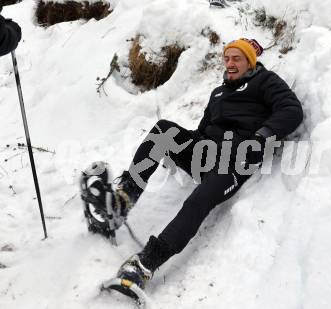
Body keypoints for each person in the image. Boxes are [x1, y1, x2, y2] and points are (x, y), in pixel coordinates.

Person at [84, 38, 303, 299]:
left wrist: (261, 137)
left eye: (238, 59)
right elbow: (201, 131)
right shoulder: (218, 93)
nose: (231, 63)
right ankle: (123, 199)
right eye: (227, 58)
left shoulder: (266, 81)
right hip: (204, 153)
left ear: (250, 62)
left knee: (199, 198)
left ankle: (145, 264)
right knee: (163, 130)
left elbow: (291, 110)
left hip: (234, 162)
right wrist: (174, 148)